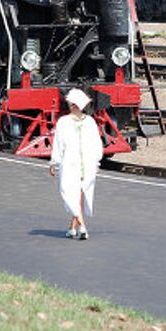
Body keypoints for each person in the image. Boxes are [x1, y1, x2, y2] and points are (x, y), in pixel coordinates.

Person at [49, 88, 104, 240]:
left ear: (73, 105)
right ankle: (72, 229)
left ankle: (83, 227)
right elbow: (97, 144)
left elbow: (59, 145)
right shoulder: (91, 122)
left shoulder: (63, 122)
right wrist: (96, 162)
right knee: (79, 193)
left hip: (71, 162)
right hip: (88, 163)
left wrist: (54, 162)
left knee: (68, 192)